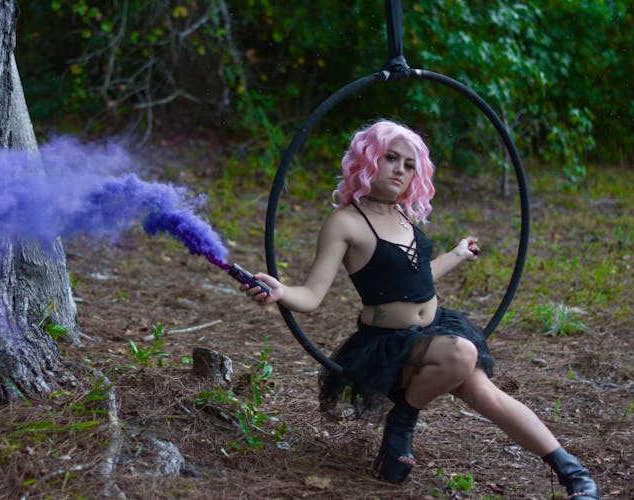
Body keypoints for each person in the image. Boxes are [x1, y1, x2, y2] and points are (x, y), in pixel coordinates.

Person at [241, 119, 599, 498]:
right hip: (389, 346)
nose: (399, 169)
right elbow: (312, 296)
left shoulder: (402, 216)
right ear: (367, 160)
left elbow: (418, 280)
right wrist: (281, 292)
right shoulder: (346, 222)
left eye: (409, 164)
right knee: (463, 353)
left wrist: (457, 255)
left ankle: (574, 475)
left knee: (487, 395)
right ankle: (403, 419)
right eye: (390, 158)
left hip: (433, 333)